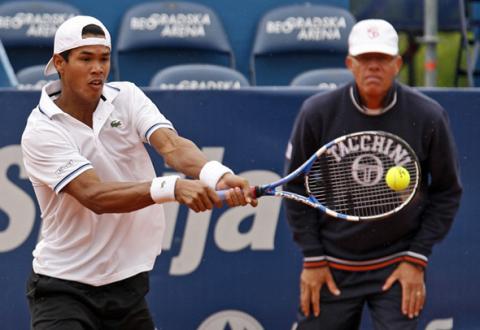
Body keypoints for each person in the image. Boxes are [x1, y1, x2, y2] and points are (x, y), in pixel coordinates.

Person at [21, 15, 257, 329]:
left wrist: (215, 174)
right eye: (85, 59)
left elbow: (171, 146)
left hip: (127, 286)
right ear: (59, 63)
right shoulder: (41, 130)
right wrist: (171, 189)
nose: (98, 68)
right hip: (63, 288)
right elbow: (94, 195)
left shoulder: (128, 97)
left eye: (104, 58)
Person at [284, 19, 462, 329]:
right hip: (331, 264)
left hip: (397, 266)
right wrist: (312, 258)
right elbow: (297, 189)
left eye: (382, 59)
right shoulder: (316, 113)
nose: (373, 67)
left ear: (397, 64)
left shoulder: (428, 116)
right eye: (365, 59)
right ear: (350, 63)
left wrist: (416, 258)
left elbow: (447, 192)